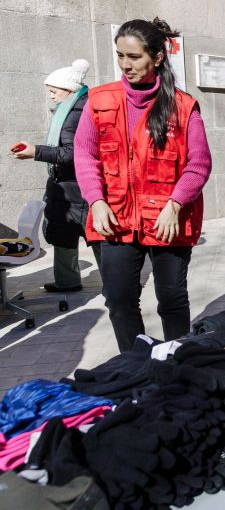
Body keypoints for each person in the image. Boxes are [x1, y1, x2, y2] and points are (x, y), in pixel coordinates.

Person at [75, 18, 212, 353]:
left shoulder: (183, 106)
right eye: (120, 55)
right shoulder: (99, 100)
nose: (125, 64)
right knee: (119, 299)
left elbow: (199, 164)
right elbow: (84, 153)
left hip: (168, 218)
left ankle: (177, 360)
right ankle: (135, 363)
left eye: (134, 57)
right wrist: (96, 200)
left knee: (171, 298)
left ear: (157, 58)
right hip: (116, 216)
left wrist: (176, 204)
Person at [8, 59, 101, 292]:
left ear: (69, 90)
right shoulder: (72, 109)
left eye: (53, 91)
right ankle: (68, 282)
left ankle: (116, 285)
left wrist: (36, 151)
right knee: (65, 235)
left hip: (77, 186)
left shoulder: (74, 115)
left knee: (95, 236)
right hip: (68, 186)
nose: (50, 96)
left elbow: (73, 153)